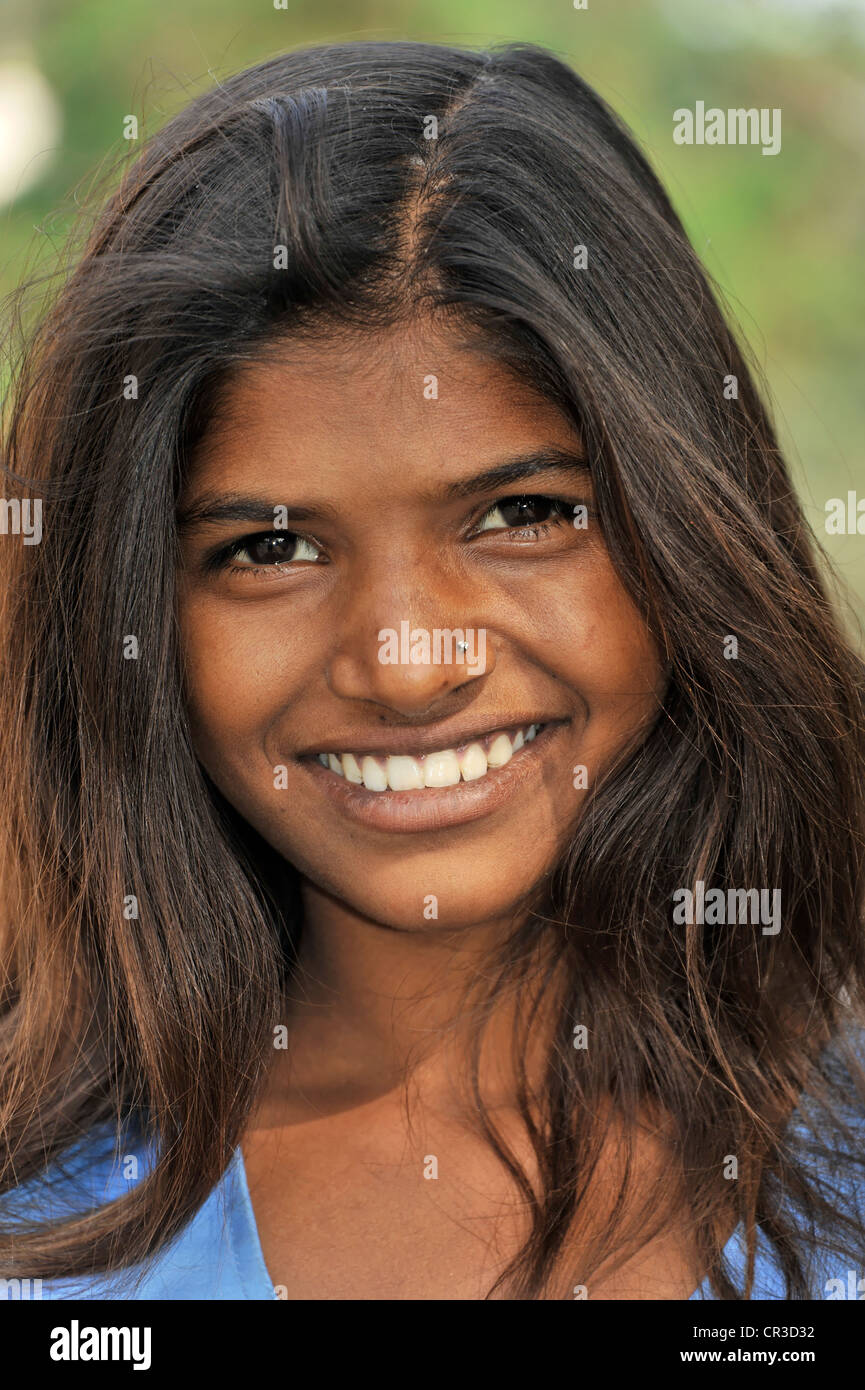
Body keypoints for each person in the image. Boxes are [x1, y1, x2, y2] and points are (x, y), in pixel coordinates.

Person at [1, 38, 864, 1301]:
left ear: (686, 524)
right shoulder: (41, 1230)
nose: (407, 666)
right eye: (272, 546)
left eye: (520, 516)